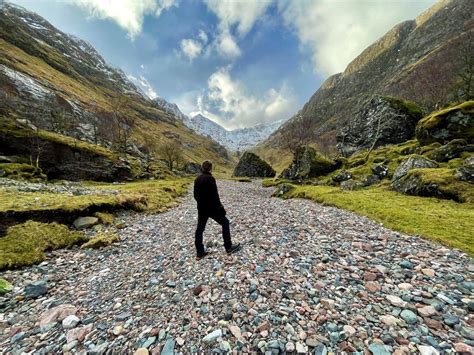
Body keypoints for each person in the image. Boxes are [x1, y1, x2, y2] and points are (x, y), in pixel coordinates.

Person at [193, 160, 241, 259]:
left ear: (202, 168)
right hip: (212, 209)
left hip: (201, 209)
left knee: (200, 229)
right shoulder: (211, 179)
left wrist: (200, 203)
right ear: (211, 168)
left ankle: (199, 252)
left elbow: (195, 195)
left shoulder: (197, 179)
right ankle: (228, 247)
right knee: (225, 223)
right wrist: (221, 208)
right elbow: (215, 196)